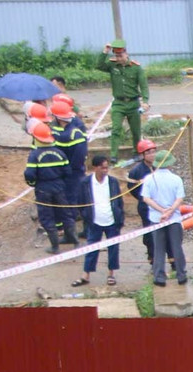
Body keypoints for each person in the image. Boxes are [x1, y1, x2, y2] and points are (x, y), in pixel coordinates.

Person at [72, 155, 124, 287]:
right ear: (95, 168)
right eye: (102, 168)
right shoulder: (85, 183)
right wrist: (85, 215)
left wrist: (119, 216)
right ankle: (86, 275)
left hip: (112, 221)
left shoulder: (113, 182)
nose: (105, 170)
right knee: (92, 248)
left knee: (113, 248)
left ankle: (111, 274)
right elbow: (80, 202)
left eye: (107, 168)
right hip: (94, 221)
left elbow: (119, 202)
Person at [141, 150, 187, 287]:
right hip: (174, 218)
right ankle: (181, 274)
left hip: (156, 219)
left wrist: (161, 211)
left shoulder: (149, 179)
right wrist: (170, 210)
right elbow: (180, 198)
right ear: (170, 164)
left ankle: (159, 276)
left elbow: (146, 198)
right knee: (176, 247)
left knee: (158, 248)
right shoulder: (176, 179)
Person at [99, 38, 149, 158]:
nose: (119, 58)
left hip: (133, 103)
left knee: (136, 131)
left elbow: (144, 86)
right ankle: (113, 155)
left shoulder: (136, 68)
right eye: (116, 56)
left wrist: (145, 101)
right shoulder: (112, 65)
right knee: (116, 129)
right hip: (118, 103)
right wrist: (105, 52)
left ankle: (136, 153)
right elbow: (99, 66)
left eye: (120, 55)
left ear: (126, 53)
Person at [24, 122, 69, 254]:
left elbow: (29, 174)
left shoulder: (35, 155)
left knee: (46, 216)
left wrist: (32, 183)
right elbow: (67, 171)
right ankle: (74, 240)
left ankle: (55, 246)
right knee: (64, 212)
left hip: (43, 188)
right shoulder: (59, 152)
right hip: (59, 186)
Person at [51, 98, 88, 243]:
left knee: (73, 202)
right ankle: (74, 232)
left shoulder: (71, 133)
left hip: (72, 173)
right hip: (71, 172)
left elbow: (78, 156)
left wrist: (66, 170)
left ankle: (72, 235)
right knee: (72, 201)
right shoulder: (70, 130)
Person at [125, 138, 158, 263]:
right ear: (142, 155)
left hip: (159, 204)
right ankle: (152, 256)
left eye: (153, 151)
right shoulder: (136, 171)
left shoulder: (159, 166)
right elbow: (132, 188)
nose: (152, 155)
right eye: (148, 152)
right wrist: (143, 198)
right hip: (145, 206)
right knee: (149, 232)